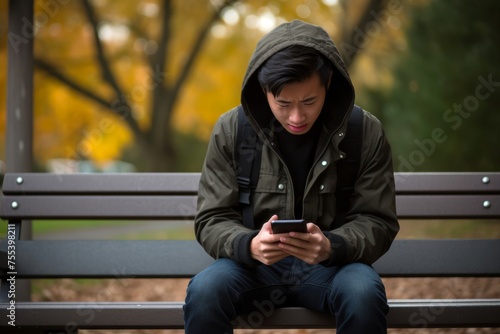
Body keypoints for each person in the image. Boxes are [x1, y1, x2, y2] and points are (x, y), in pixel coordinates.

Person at [183, 19, 399, 333]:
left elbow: (378, 220)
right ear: (263, 90)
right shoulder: (233, 130)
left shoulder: (363, 131)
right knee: (204, 291)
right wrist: (250, 245)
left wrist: (332, 246)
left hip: (333, 267)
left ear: (328, 84)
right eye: (283, 103)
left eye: (309, 101)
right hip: (253, 268)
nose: (297, 117)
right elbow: (211, 218)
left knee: (364, 293)